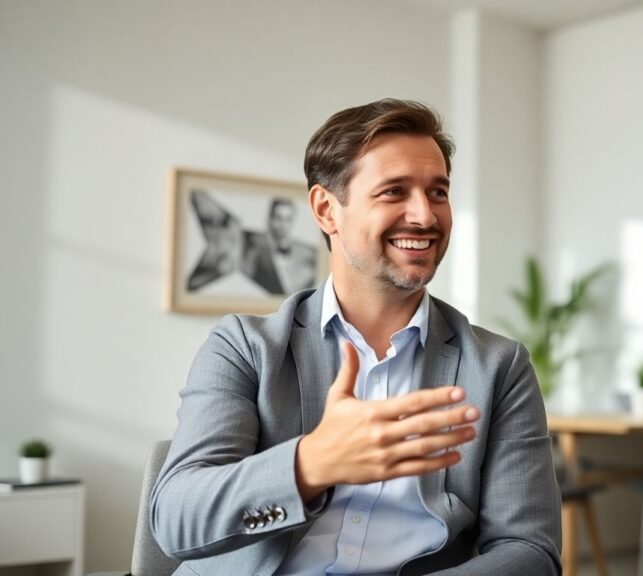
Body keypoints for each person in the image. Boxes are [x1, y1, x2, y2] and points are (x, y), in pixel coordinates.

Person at [152, 99, 561, 575]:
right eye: (394, 191)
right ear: (326, 209)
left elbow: (530, 550)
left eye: (437, 192)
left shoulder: (499, 367)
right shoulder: (245, 347)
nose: (425, 216)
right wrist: (312, 464)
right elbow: (176, 520)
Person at [241, 198, 318, 295]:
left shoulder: (307, 255)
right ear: (270, 219)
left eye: (288, 219)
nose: (283, 225)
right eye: (278, 218)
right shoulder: (254, 249)